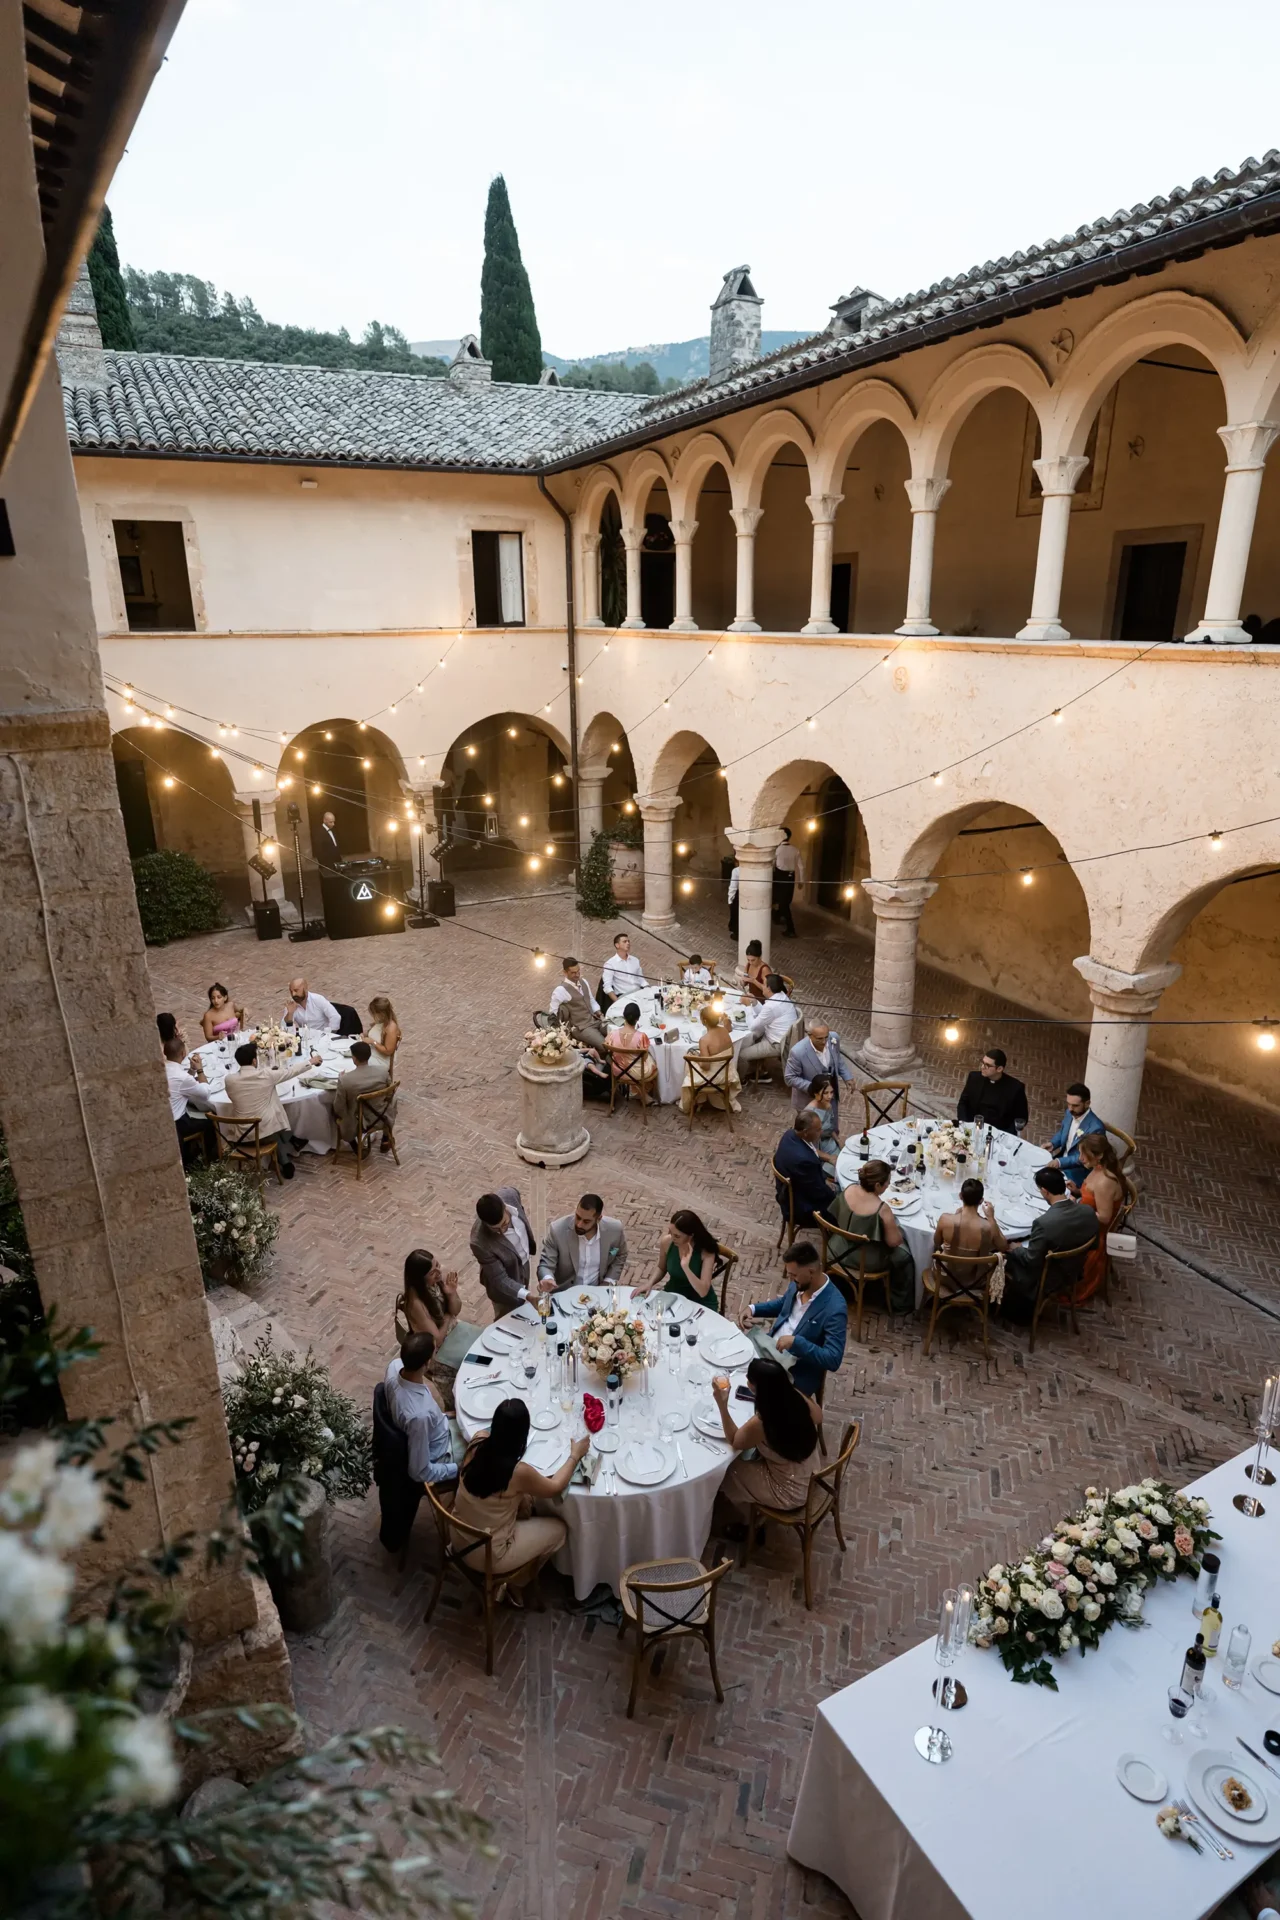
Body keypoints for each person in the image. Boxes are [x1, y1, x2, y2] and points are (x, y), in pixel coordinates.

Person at [451, 1399, 587, 1604]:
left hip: (459, 1535)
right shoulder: (518, 1473)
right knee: (560, 1529)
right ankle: (516, 1582)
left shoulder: (477, 1441)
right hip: (488, 1555)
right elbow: (556, 1486)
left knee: (524, 1502)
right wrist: (575, 1455)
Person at [712, 1356, 822, 1523]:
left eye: (749, 1380)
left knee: (726, 1471)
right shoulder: (795, 1398)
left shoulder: (764, 1421)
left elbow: (735, 1440)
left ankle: (746, 1520)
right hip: (810, 1472)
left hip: (789, 1491)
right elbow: (819, 1416)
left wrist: (722, 1405)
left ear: (755, 1387)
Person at [739, 1242, 846, 1398]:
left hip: (795, 1370)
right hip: (769, 1348)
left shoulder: (835, 1308)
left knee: (756, 1395)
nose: (791, 1279)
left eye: (794, 1275)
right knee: (733, 1365)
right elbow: (784, 1304)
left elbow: (833, 1359)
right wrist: (753, 1309)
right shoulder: (799, 1283)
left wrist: (797, 1343)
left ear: (811, 1271)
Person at [1001, 1165, 1098, 1317]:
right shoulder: (1088, 1211)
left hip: (1047, 1277)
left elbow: (1030, 1260)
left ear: (1045, 1191)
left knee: (1002, 1254)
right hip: (1074, 1269)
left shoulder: (1044, 1223)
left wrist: (1016, 1248)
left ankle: (1001, 1303)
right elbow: (1094, 1244)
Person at [221, 1037, 320, 1180]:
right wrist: (311, 1061)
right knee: (270, 1115)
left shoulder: (229, 1080)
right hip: (264, 1133)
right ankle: (289, 1145)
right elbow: (290, 1071)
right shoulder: (266, 1075)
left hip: (242, 1135)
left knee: (266, 1107)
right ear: (254, 1061)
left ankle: (292, 1143)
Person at [396, 1249, 481, 1412]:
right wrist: (448, 1316)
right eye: (432, 1272)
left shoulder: (437, 1283)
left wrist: (451, 1294)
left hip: (453, 1331)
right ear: (420, 1278)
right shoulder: (415, 1304)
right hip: (435, 1349)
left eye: (437, 1265)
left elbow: (455, 1310)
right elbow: (436, 1339)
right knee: (469, 1364)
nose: (438, 1272)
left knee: (483, 1347)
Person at [826, 1159, 916, 1312]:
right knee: (905, 1256)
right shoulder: (882, 1209)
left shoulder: (849, 1189)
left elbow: (835, 1214)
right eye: (887, 1183)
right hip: (863, 1260)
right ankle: (900, 1303)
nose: (888, 1185)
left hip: (836, 1248)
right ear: (877, 1185)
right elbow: (894, 1242)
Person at [384, 1332, 460, 1490]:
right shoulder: (419, 1417)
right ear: (427, 1363)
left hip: (440, 1426)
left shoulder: (394, 1367)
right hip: (444, 1451)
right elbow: (420, 1471)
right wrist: (458, 1469)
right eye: (435, 1352)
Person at [1073, 1132, 1130, 1304]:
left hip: (1092, 1234)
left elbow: (1104, 1218)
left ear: (1099, 1155)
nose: (1081, 1158)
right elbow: (1092, 1197)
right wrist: (1077, 1191)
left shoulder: (1105, 1182)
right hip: (1084, 1219)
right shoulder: (1097, 1168)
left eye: (1084, 1154)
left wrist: (1078, 1208)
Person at [537, 1194, 628, 1291]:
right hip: (565, 1292)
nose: (579, 1224)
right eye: (578, 1217)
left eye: (586, 1221)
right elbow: (546, 1265)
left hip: (599, 1291)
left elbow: (620, 1255)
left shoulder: (614, 1230)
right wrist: (548, 1278)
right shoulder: (557, 1230)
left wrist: (608, 1281)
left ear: (598, 1219)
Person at [470, 1188, 537, 1315]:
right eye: (496, 1229)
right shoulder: (479, 1242)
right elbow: (500, 1279)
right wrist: (527, 1295)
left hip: (523, 1264)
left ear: (506, 1208)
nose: (502, 1232)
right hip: (503, 1288)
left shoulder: (510, 1195)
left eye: (505, 1224)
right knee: (506, 1317)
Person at [644, 1209, 723, 1307]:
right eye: (670, 1232)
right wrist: (650, 1283)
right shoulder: (667, 1242)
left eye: (677, 1236)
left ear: (691, 1236)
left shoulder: (706, 1252)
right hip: (674, 1294)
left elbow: (703, 1291)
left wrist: (686, 1267)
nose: (672, 1238)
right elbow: (661, 1268)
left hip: (700, 1302)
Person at [773, 1112, 837, 1230]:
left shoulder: (789, 1135)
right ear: (806, 1132)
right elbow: (819, 1194)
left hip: (790, 1192)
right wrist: (836, 1196)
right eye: (818, 1130)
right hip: (801, 1208)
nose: (821, 1132)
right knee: (843, 1208)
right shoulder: (805, 1161)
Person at [679, 1002, 742, 1115]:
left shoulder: (704, 1040)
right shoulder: (725, 1031)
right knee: (694, 1055)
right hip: (726, 1073)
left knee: (688, 1061)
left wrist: (696, 1059)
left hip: (713, 1077)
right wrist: (724, 1018)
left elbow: (706, 1066)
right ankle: (703, 1099)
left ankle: (695, 1101)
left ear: (704, 1021)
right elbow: (729, 1028)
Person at [785, 1020, 853, 1122]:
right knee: (813, 1129)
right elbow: (789, 1078)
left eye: (826, 1037)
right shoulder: (797, 1052)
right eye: (819, 1039)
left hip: (831, 1097)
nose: (824, 1042)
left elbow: (837, 1058)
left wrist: (847, 1076)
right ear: (810, 1035)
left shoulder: (834, 1038)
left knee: (832, 1125)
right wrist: (813, 1087)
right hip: (809, 1101)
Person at [163, 1034, 216, 1162]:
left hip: (166, 1116)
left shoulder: (164, 1068)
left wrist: (192, 1070)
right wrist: (200, 1070)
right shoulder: (181, 1076)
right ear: (183, 1053)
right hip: (178, 1123)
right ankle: (209, 1157)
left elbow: (182, 1086)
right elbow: (206, 1093)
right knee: (211, 1121)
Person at [1044, 1081, 1106, 1190]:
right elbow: (1063, 1132)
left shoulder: (1096, 1128)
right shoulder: (1070, 1113)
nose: (1070, 1109)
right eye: (1068, 1104)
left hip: (1076, 1172)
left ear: (1087, 1103)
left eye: (1075, 1105)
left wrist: (1060, 1162)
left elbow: (1086, 1158)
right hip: (1060, 1160)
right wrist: (1053, 1144)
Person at [332, 1039, 394, 1147]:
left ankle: (354, 1145)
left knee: (333, 1109)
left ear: (354, 1058)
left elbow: (339, 1107)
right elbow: (390, 1094)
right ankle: (385, 1136)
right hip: (382, 1116)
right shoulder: (383, 1072)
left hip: (358, 1123)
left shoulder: (345, 1080)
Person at [739, 973, 799, 1082]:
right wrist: (754, 1002)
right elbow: (765, 1013)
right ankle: (759, 1070)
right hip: (777, 1036)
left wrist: (747, 1006)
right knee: (748, 1041)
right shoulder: (781, 995)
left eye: (764, 984)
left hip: (775, 1043)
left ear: (769, 988)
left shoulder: (772, 1006)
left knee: (741, 1055)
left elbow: (752, 1026)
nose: (762, 986)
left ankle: (741, 1081)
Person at [933, 1176, 1008, 1261]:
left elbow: (937, 1242)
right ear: (981, 1201)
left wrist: (956, 1216)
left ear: (960, 1196)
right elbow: (1003, 1247)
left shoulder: (945, 1219)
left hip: (947, 1268)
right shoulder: (989, 1227)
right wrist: (991, 1218)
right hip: (978, 1269)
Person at [956, 1047, 1029, 1134]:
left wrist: (1004, 1135)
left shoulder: (1015, 1088)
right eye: (982, 1063)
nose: (982, 1067)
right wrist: (965, 1126)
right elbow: (963, 1103)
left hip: (1000, 1132)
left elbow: (1021, 1118)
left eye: (987, 1065)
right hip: (974, 1128)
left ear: (999, 1069)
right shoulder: (974, 1078)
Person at [548, 957, 608, 1054]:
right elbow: (552, 1013)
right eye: (573, 973)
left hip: (595, 1020)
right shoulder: (560, 990)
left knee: (616, 1034)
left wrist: (600, 1014)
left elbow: (591, 1000)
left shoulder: (584, 982)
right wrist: (556, 1035)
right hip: (581, 1028)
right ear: (565, 972)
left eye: (578, 971)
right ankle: (599, 1059)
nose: (577, 975)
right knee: (605, 1045)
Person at [606, 1002, 656, 1095]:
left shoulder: (612, 1034)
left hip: (618, 1071)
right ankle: (644, 1092)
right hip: (637, 1073)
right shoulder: (641, 1036)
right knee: (653, 1059)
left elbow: (608, 1049)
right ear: (638, 1019)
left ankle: (637, 1091)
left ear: (623, 1016)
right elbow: (644, 1058)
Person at [599, 931, 646, 1009]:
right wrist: (618, 1003)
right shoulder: (610, 964)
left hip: (639, 994)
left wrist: (648, 989)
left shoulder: (635, 960)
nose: (628, 943)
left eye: (628, 941)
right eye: (624, 941)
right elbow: (607, 987)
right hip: (624, 997)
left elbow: (642, 980)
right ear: (617, 945)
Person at [802, 1074, 840, 1168]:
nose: (830, 1096)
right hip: (818, 1155)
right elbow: (808, 1147)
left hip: (831, 1145)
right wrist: (829, 1158)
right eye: (825, 1093)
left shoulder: (828, 1105)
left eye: (831, 1092)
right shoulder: (810, 1114)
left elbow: (830, 1127)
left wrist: (839, 1141)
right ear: (816, 1093)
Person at [772, 827, 804, 937]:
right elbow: (801, 867)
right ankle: (777, 917)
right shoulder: (795, 850)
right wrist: (801, 881)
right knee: (785, 901)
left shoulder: (777, 850)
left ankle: (791, 929)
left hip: (779, 877)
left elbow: (772, 864)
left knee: (782, 903)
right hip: (790, 877)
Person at [365, 995, 401, 1069]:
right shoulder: (381, 1022)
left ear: (381, 1013)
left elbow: (388, 1051)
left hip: (381, 1060)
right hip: (372, 1053)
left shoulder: (391, 1028)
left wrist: (372, 1042)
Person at [737, 938, 769, 1004]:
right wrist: (743, 982)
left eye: (753, 960)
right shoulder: (748, 965)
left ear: (759, 957)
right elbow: (745, 978)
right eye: (748, 960)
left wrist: (754, 981)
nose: (750, 962)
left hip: (762, 1002)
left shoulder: (764, 969)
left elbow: (768, 990)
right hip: (752, 998)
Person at [727, 857, 740, 938]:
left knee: (736, 915)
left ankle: (736, 933)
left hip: (739, 895)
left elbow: (733, 887)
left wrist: (730, 900)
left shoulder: (736, 871)